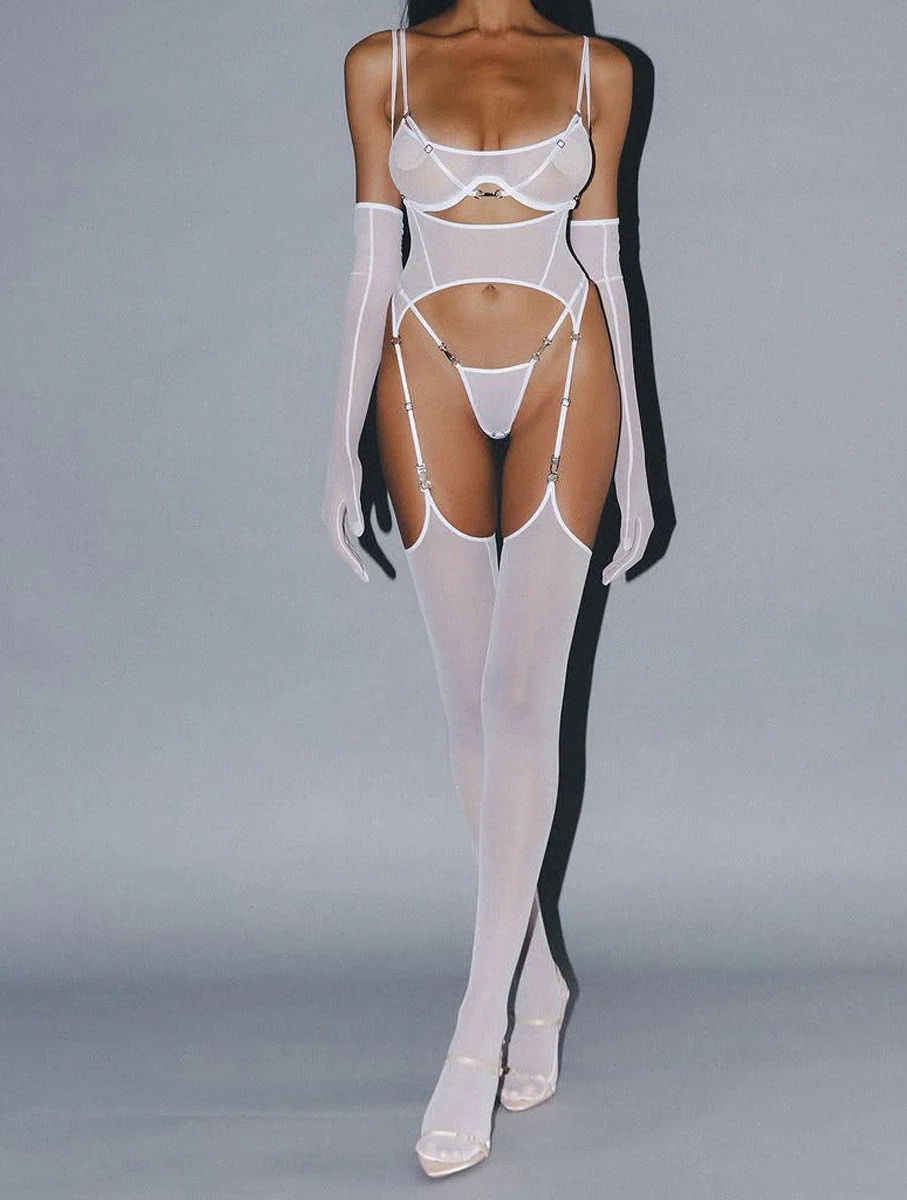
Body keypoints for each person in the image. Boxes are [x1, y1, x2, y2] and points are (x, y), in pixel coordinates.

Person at [320, 0, 653, 1178]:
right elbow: (373, 262)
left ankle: (477, 1031)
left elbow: (608, 261)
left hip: (568, 354)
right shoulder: (383, 64)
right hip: (424, 362)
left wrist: (645, 463)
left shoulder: (602, 69)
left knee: (522, 700)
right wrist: (334, 450)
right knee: (467, 703)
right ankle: (539, 976)